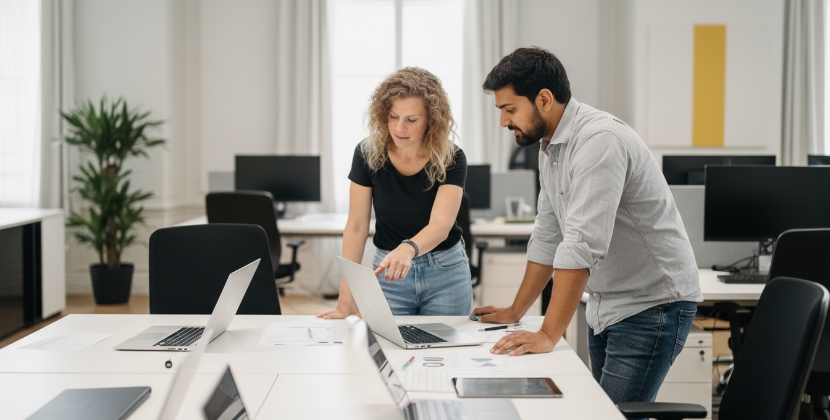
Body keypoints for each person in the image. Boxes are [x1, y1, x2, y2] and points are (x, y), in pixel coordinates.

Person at [470, 47, 703, 406]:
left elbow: (581, 244)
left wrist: (548, 332)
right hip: (607, 302)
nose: (503, 122)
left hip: (652, 304)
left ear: (544, 99)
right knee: (602, 409)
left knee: (612, 413)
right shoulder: (551, 149)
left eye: (509, 109)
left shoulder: (599, 141)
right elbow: (549, 235)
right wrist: (517, 312)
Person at [318, 67, 472, 319]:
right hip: (388, 271)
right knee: (388, 350)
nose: (399, 128)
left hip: (445, 272)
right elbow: (356, 227)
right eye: (393, 117)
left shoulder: (451, 157)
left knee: (445, 354)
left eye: (411, 120)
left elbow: (441, 225)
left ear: (431, 120)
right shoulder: (367, 153)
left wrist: (408, 248)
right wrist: (345, 298)